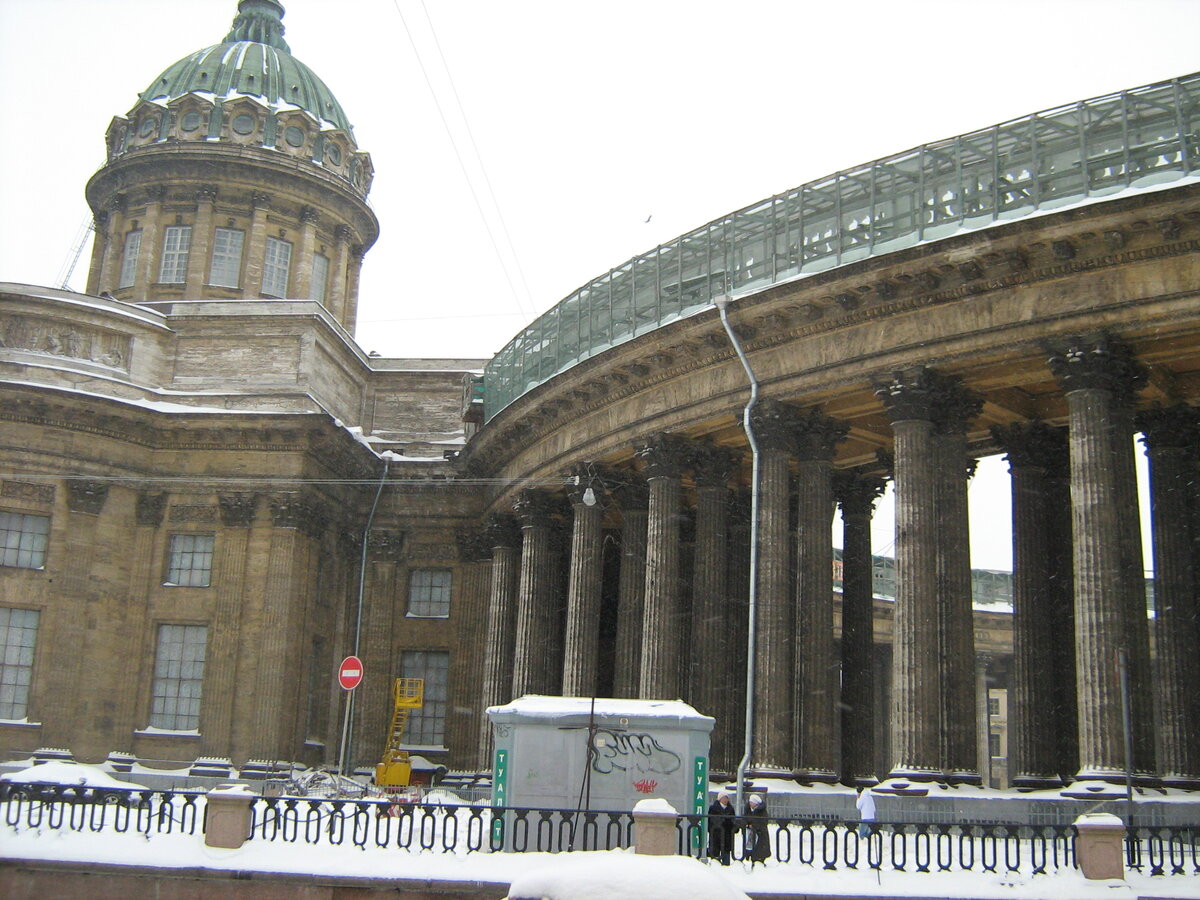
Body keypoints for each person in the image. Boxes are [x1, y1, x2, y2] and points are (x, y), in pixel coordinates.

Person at [707, 790, 735, 865]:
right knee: (715, 852)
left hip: (727, 834)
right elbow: (710, 821)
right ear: (719, 799)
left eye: (726, 798)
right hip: (716, 834)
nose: (725, 800)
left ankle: (726, 865)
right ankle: (715, 864)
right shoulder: (713, 808)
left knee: (726, 852)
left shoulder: (730, 809)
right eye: (723, 798)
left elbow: (733, 821)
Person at [742, 793, 771, 865]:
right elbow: (744, 819)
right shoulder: (748, 809)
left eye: (752, 802)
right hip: (750, 833)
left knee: (760, 848)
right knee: (750, 847)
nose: (750, 803)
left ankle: (759, 860)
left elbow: (763, 821)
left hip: (760, 833)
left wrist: (754, 825)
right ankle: (751, 856)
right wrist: (747, 824)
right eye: (750, 802)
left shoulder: (762, 811)